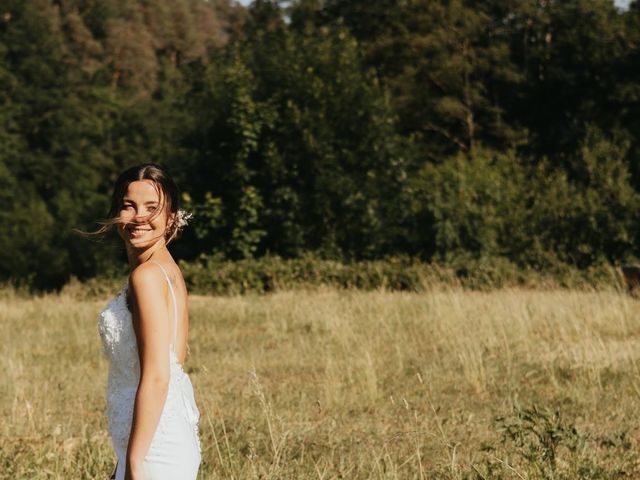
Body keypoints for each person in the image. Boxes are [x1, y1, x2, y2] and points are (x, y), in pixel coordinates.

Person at [91, 163, 201, 480]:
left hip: (153, 449)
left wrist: (135, 462)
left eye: (152, 208)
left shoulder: (147, 276)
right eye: (129, 206)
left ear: (171, 218)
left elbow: (158, 376)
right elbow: (176, 363)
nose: (140, 216)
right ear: (116, 213)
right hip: (155, 436)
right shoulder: (168, 271)